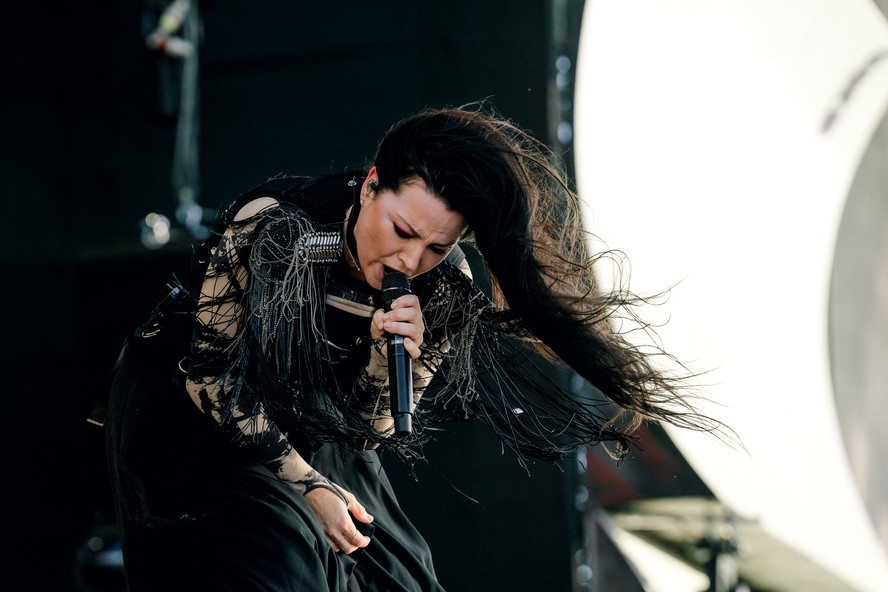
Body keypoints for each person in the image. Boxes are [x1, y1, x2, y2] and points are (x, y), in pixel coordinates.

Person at [105, 104, 718, 591]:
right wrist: (308, 485)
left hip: (314, 424)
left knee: (401, 577)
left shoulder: (446, 287)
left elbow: (370, 434)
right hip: (204, 412)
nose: (410, 259)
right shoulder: (276, 227)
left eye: (435, 247)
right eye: (402, 231)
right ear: (371, 185)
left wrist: (386, 359)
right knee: (281, 564)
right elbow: (211, 381)